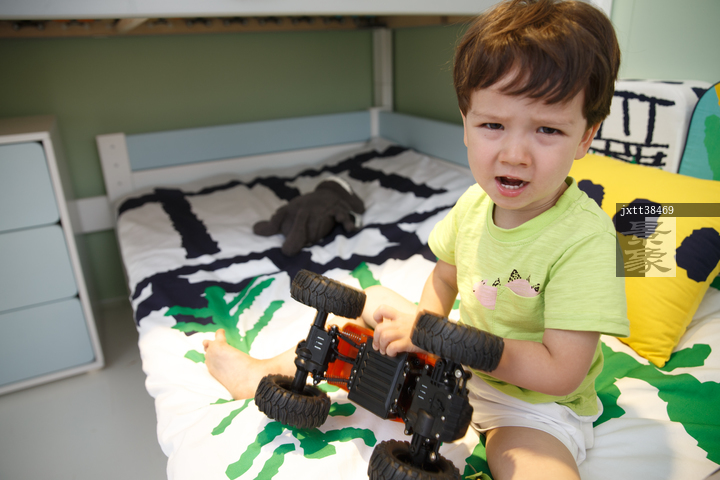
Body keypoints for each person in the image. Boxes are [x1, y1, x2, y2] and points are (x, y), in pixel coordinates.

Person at [203, 0, 629, 478]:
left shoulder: (587, 241)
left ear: (586, 136)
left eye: (547, 130)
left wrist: (456, 344)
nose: (514, 154)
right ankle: (259, 372)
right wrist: (421, 333)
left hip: (531, 404)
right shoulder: (474, 204)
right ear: (466, 123)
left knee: (530, 463)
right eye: (493, 125)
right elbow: (445, 278)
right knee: (367, 313)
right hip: (453, 369)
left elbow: (561, 371)